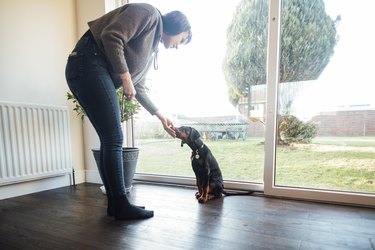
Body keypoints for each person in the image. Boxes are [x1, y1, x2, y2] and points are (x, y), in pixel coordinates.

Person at [65, 3, 192, 220]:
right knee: (114, 137)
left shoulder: (151, 46)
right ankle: (120, 204)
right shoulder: (149, 14)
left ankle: (116, 205)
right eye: (181, 39)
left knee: (109, 138)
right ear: (176, 27)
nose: (178, 46)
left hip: (89, 68)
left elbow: (138, 85)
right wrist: (125, 78)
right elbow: (111, 36)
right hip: (87, 62)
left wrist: (160, 116)